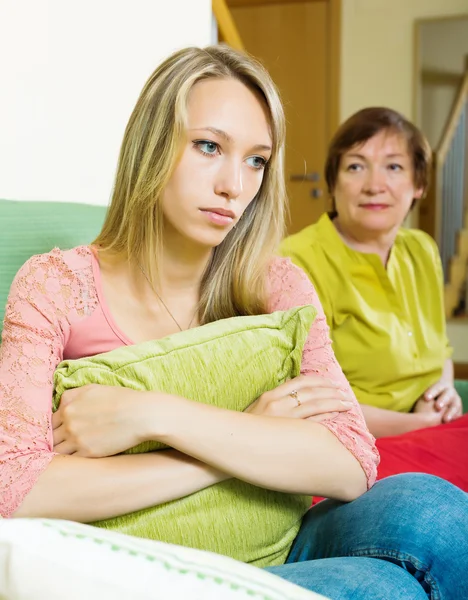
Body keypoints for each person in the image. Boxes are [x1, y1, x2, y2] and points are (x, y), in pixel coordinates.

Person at [0, 47, 467, 599]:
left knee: (441, 510)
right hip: (144, 566)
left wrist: (156, 416)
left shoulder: (278, 284)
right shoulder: (56, 285)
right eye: (209, 146)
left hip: (283, 542)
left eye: (256, 160)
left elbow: (351, 460)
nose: (234, 185)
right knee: (384, 587)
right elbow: (16, 488)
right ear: (152, 146)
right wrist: (238, 445)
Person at [280, 107, 468, 490]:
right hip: (354, 445)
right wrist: (415, 424)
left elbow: (440, 351)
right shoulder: (296, 263)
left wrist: (444, 390)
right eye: (355, 167)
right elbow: (300, 401)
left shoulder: (422, 249)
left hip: (434, 428)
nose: (374, 184)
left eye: (394, 168)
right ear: (334, 182)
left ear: (419, 185)